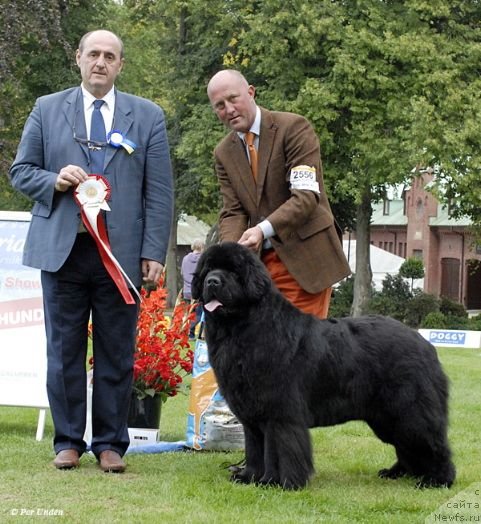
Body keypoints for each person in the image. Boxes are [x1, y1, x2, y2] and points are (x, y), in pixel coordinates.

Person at [9, 30, 173, 473]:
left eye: (110, 56)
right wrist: (53, 181)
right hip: (62, 251)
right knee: (62, 349)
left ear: (120, 65)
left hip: (120, 255)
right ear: (78, 58)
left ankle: (110, 445)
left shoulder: (148, 116)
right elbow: (20, 172)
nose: (101, 62)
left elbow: (159, 192)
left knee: (117, 349)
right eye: (93, 54)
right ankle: (67, 440)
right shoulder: (46, 109)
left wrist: (153, 250)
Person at [206, 69, 350, 318]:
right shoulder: (223, 153)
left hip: (305, 258)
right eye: (219, 105)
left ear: (251, 92)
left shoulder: (294, 127)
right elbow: (233, 211)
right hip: (259, 265)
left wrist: (262, 230)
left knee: (298, 350)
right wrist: (229, 252)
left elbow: (306, 197)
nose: (228, 110)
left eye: (233, 99)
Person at [181, 238, 205, 339]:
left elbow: (182, 273)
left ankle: (188, 333)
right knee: (200, 314)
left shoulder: (185, 258)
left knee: (188, 313)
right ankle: (197, 333)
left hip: (186, 290)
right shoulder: (203, 259)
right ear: (202, 247)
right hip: (198, 291)